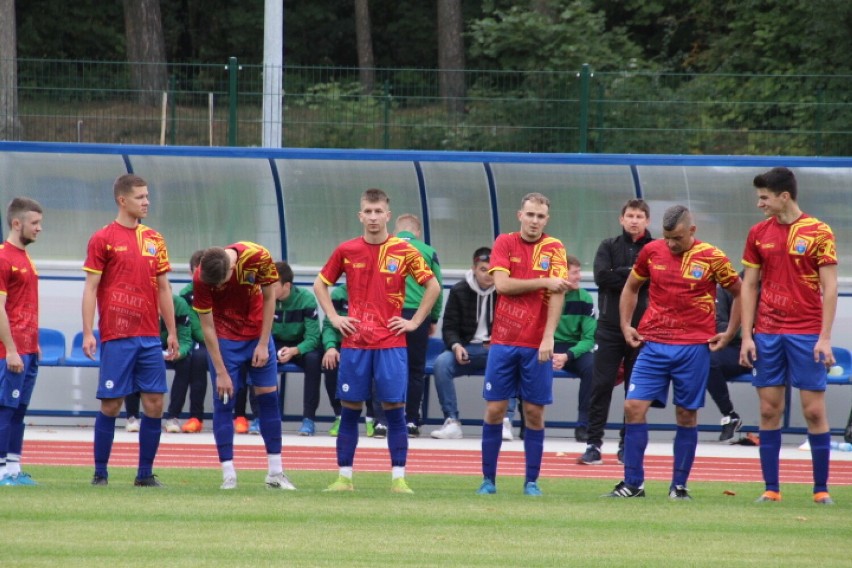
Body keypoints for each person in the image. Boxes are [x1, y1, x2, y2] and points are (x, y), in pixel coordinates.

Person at [604, 205, 740, 500]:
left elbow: (740, 292)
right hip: (653, 343)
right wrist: (627, 325)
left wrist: (730, 332)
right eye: (667, 238)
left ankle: (678, 486)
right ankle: (632, 483)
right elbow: (631, 287)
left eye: (677, 238)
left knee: (686, 415)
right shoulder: (652, 251)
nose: (671, 244)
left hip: (693, 347)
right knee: (632, 407)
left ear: (692, 231)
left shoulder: (713, 257)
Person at [314, 188, 440, 494]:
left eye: (378, 211)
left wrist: (415, 321)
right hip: (355, 343)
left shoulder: (404, 251)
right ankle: (344, 477)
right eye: (367, 212)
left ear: (388, 215)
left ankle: (399, 478)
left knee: (395, 407)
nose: (373, 217)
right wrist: (334, 317)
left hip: (391, 343)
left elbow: (433, 286)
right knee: (350, 408)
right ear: (361, 215)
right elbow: (320, 284)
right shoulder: (346, 250)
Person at [739, 167, 837, 505]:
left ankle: (821, 489)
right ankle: (771, 489)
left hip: (806, 332)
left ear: (784, 196)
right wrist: (747, 336)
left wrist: (824, 337)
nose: (759, 204)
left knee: (813, 411)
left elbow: (830, 286)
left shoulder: (819, 231)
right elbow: (749, 285)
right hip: (767, 333)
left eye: (764, 197)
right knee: (768, 410)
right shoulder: (757, 233)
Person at [82, 174, 179, 487]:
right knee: (111, 404)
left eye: (147, 196)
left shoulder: (155, 239)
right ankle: (100, 473)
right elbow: (90, 287)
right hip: (117, 336)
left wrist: (172, 332)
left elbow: (164, 288)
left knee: (155, 404)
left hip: (150, 337)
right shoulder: (103, 238)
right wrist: (87, 332)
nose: (146, 202)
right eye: (140, 197)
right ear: (122, 200)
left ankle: (144, 475)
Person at [476, 192, 569, 497]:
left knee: (534, 413)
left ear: (547, 219)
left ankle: (531, 481)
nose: (534, 221)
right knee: (495, 409)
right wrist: (543, 281)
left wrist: (548, 336)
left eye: (540, 216)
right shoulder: (505, 242)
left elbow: (558, 294)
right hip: (503, 341)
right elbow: (502, 284)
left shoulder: (555, 248)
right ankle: (488, 480)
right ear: (520, 215)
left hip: (536, 344)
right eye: (530, 215)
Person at [193, 242, 295, 490]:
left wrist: (263, 343)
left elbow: (270, 297)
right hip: (225, 340)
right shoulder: (202, 276)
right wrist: (220, 371)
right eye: (213, 285)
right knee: (224, 400)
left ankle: (275, 473)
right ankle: (228, 475)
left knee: (268, 399)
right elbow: (207, 326)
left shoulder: (258, 256)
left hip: (257, 335)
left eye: (221, 282)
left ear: (232, 268)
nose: (217, 287)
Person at [578, 199, 653, 466]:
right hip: (609, 328)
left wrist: (622, 274)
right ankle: (593, 444)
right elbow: (602, 277)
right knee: (600, 386)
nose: (634, 220)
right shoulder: (608, 246)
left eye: (639, 216)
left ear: (647, 221)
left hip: (642, 330)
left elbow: (654, 279)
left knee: (635, 392)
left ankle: (626, 444)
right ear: (621, 219)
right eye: (630, 215)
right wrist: (634, 275)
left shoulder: (656, 248)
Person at [429, 247, 496, 440]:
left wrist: (500, 343)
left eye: (492, 270)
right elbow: (449, 327)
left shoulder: (504, 290)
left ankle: (503, 422)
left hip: (493, 350)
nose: (488, 275)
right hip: (466, 348)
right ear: (474, 268)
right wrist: (456, 345)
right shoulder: (459, 290)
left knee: (510, 360)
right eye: (483, 269)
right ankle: (452, 421)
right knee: (442, 363)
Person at [0, 198, 43, 486]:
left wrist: (32, 347)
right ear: (17, 223)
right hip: (11, 351)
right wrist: (12, 350)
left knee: (20, 408)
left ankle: (14, 467)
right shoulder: (4, 258)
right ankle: (2, 469)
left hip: (29, 349)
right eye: (35, 223)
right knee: (5, 407)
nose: (40, 229)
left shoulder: (25, 257)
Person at [271, 260, 338, 436]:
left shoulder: (306, 300)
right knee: (261, 358)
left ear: (287, 285)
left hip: (302, 345)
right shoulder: (265, 299)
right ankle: (263, 417)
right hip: (275, 342)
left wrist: (294, 350)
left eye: (273, 284)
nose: (268, 288)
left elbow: (313, 338)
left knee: (314, 359)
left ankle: (308, 419)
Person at [394, 213, 443, 438]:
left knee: (386, 367)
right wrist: (432, 318)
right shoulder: (428, 251)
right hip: (418, 314)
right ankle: (412, 420)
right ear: (418, 232)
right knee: (415, 369)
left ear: (397, 231)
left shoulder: (386, 246)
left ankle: (382, 420)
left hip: (389, 313)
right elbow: (437, 287)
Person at [125, 294, 194, 432]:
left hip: (170, 347)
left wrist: (179, 353)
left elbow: (186, 340)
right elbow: (131, 337)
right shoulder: (139, 303)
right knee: (132, 360)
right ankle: (132, 416)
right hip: (144, 346)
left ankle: (173, 417)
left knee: (186, 363)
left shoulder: (179, 304)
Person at [551, 254, 597, 443]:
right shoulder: (545, 296)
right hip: (548, 346)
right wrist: (550, 352)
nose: (579, 277)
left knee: (592, 368)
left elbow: (589, 339)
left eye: (579, 272)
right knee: (526, 363)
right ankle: (527, 426)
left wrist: (568, 355)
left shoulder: (584, 298)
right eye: (575, 273)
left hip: (573, 349)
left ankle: (583, 425)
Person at [321, 284, 375, 437]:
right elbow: (328, 325)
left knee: (375, 365)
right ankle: (340, 415)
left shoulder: (376, 292)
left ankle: (372, 417)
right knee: (330, 363)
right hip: (343, 345)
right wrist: (331, 347)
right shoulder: (338, 294)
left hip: (369, 344)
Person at [164, 250, 209, 433]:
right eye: (198, 272)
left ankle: (240, 416)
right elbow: (195, 330)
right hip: (205, 341)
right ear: (192, 274)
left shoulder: (225, 291)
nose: (203, 277)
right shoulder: (186, 295)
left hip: (228, 340)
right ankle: (195, 417)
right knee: (196, 359)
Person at [707, 282, 749, 443]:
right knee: (706, 362)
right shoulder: (727, 287)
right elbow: (720, 325)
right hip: (735, 347)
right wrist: (746, 331)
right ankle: (729, 415)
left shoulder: (774, 286)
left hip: (767, 347)